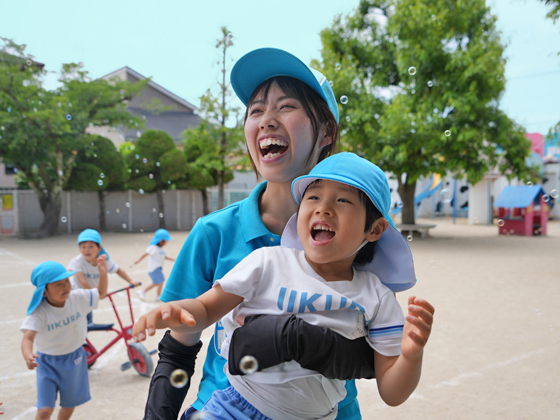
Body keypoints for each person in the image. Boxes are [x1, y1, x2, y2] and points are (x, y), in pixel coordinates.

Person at [142, 47, 391, 420]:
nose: (266, 120)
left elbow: (381, 354)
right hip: (225, 409)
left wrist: (306, 343)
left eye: (286, 106)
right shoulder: (214, 232)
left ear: (327, 132)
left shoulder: (364, 238)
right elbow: (178, 349)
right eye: (256, 110)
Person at [133, 152, 434, 420]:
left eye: (342, 200)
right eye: (313, 197)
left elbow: (392, 394)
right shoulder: (268, 263)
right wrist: (177, 311)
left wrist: (410, 356)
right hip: (236, 408)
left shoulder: (376, 297)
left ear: (375, 228)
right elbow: (206, 307)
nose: (323, 209)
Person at [20, 259, 108, 420]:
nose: (66, 286)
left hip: (74, 359)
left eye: (67, 281)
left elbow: (101, 294)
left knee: (68, 407)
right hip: (47, 363)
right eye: (58, 284)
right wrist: (28, 355)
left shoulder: (77, 297)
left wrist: (103, 274)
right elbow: (27, 338)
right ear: (44, 291)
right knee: (45, 410)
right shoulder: (39, 312)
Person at [67, 229, 138, 323]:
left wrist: (130, 280)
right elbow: (83, 282)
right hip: (76, 295)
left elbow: (118, 270)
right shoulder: (77, 262)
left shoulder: (103, 260)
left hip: (89, 296)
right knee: (78, 322)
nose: (87, 250)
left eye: (91, 246)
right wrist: (97, 295)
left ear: (99, 248)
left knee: (87, 322)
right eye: (83, 247)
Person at [133, 229, 176, 301]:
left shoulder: (162, 249)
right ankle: (154, 295)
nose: (167, 242)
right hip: (153, 269)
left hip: (158, 268)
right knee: (160, 281)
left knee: (157, 282)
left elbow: (164, 257)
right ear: (161, 241)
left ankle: (146, 292)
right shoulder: (153, 248)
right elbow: (145, 254)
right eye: (166, 241)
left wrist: (172, 259)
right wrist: (138, 260)